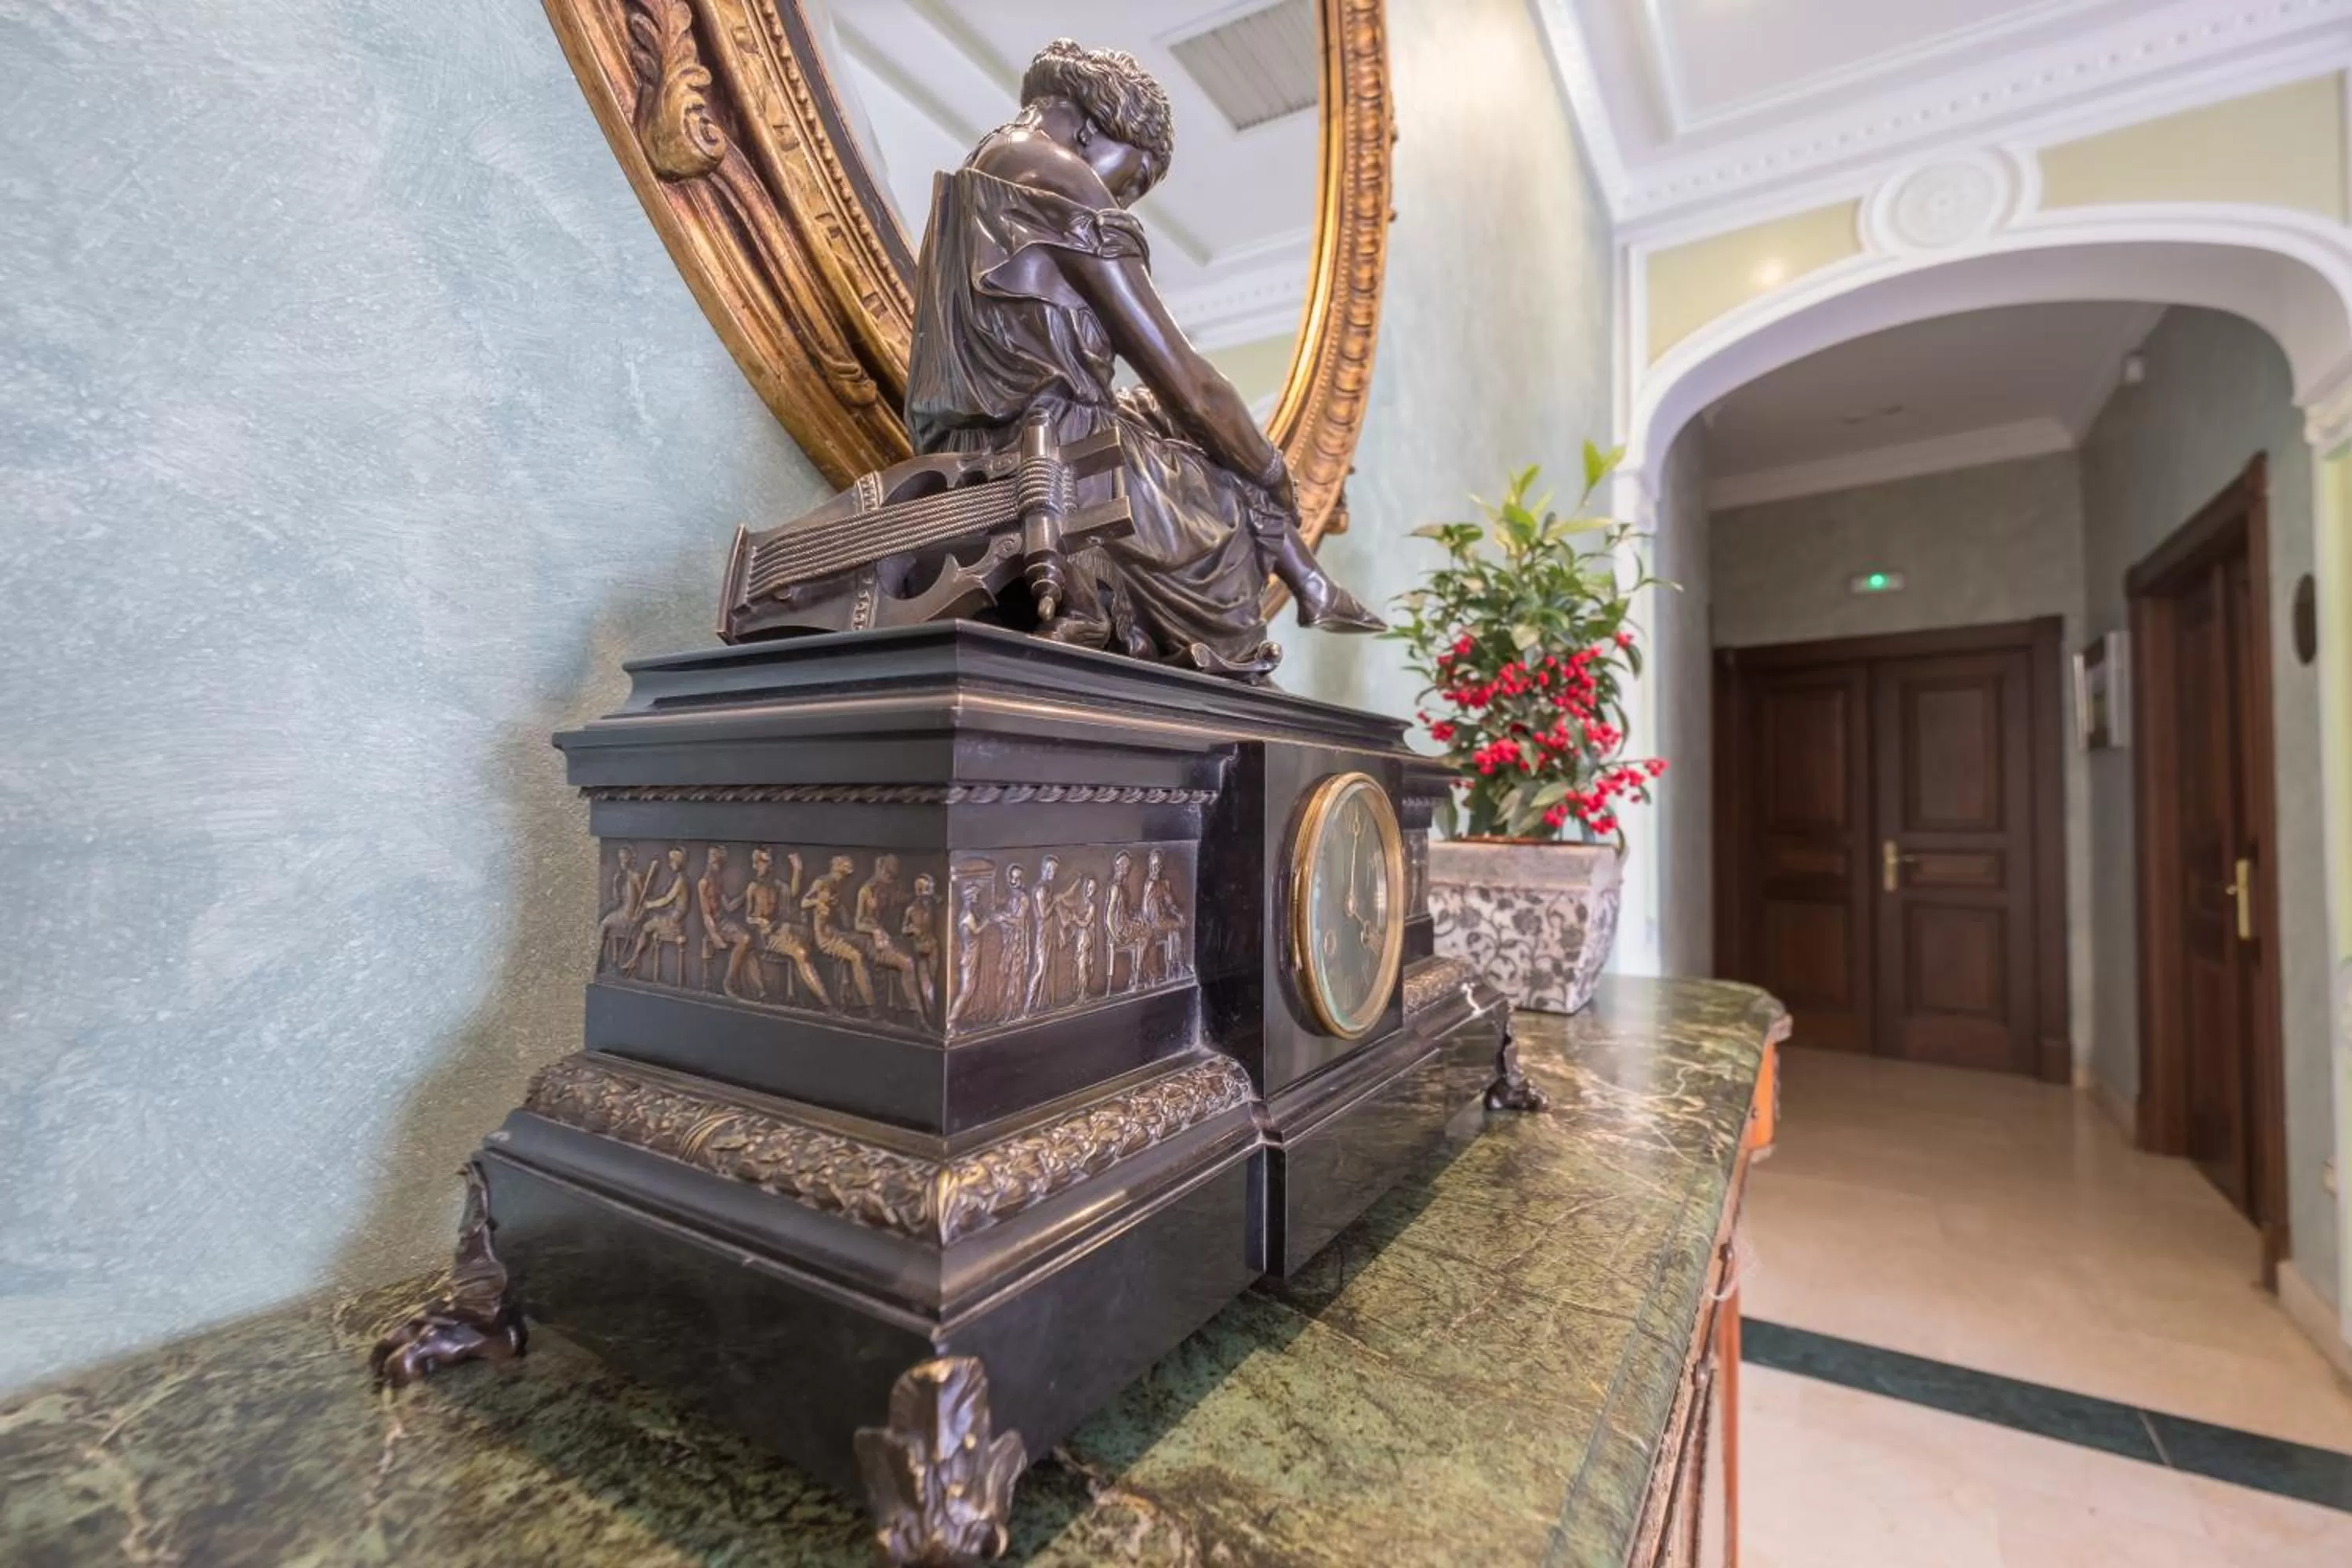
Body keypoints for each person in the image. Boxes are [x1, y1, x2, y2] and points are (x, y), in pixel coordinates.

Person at [905, 38, 1381, 679]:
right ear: (1101, 125)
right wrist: (1270, 469)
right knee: (1217, 462)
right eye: (1131, 180)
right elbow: (1190, 382)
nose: (1122, 201)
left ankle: (1310, 582)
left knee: (1158, 414)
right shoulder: (1055, 173)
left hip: (982, 431)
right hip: (1044, 443)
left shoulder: (981, 172)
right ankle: (1308, 582)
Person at [745, 847, 829, 1008]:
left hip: (778, 930)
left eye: (760, 862)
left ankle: (805, 996)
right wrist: (758, 922)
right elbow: (748, 917)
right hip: (765, 937)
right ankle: (826, 1002)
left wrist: (797, 869)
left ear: (770, 865)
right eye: (755, 863)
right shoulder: (753, 887)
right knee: (801, 953)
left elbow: (792, 896)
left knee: (804, 941)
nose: (756, 867)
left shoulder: (780, 887)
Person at [804, 855, 877, 1011]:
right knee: (856, 956)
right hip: (825, 937)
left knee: (865, 941)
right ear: (836, 866)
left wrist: (843, 907)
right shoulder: (822, 882)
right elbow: (804, 902)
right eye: (845, 864)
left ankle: (854, 998)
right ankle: (872, 1008)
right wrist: (819, 902)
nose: (849, 866)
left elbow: (847, 923)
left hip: (837, 932)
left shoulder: (839, 886)